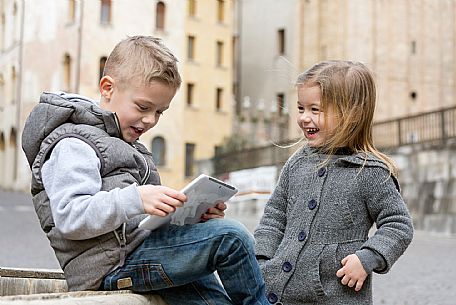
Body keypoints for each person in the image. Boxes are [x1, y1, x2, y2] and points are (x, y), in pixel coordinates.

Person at [21, 36, 269, 305]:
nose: (150, 119)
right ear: (107, 88)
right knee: (231, 238)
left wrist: (193, 216)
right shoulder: (73, 145)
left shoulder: (126, 145)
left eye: (160, 111)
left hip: (142, 253)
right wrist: (137, 198)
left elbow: (140, 223)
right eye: (143, 107)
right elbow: (70, 216)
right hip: (113, 267)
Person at [254, 60, 414, 305]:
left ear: (351, 114)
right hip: (278, 293)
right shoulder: (296, 164)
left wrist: (367, 258)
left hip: (337, 296)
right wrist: (262, 258)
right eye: (300, 108)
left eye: (315, 110)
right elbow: (274, 216)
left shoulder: (370, 172)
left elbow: (398, 225)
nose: (304, 118)